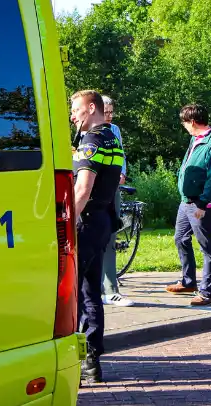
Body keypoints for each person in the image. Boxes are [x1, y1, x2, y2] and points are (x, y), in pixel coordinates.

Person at [68, 90, 124, 383]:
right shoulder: (111, 138)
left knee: (73, 295)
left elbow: (83, 188)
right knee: (92, 293)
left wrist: (67, 220)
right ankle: (92, 362)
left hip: (86, 221)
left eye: (76, 109)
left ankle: (70, 365)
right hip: (102, 221)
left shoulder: (91, 141)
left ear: (92, 108)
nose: (73, 116)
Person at [165, 103, 211, 306]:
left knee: (207, 248)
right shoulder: (195, 139)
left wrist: (202, 203)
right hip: (186, 202)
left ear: (192, 122)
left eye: (185, 123)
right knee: (180, 238)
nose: (184, 127)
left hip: (201, 205)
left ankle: (206, 293)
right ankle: (188, 281)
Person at [100, 95, 135, 308]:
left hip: (111, 189)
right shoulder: (82, 131)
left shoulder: (115, 130)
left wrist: (121, 173)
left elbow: (121, 154)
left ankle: (111, 290)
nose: (110, 116)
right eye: (106, 112)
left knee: (110, 236)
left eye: (111, 111)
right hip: (90, 190)